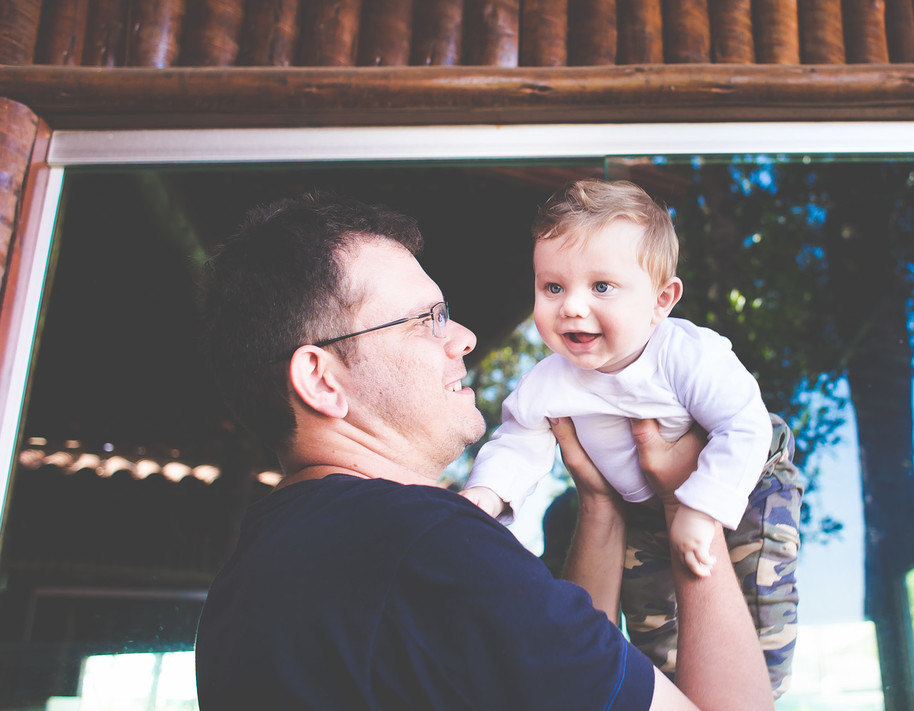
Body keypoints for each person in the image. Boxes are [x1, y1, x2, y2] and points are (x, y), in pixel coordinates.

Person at [193, 193, 773, 710]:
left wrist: (599, 505)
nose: (464, 336)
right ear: (322, 380)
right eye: (427, 320)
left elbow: (566, 678)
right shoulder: (435, 548)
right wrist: (683, 506)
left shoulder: (242, 590)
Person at [461, 180, 802, 695]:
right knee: (652, 637)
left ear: (661, 300)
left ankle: (763, 688)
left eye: (601, 287)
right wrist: (488, 494)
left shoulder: (686, 356)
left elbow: (744, 425)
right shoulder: (549, 380)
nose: (571, 307)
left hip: (746, 483)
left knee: (761, 613)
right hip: (640, 509)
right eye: (553, 287)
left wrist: (702, 507)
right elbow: (518, 440)